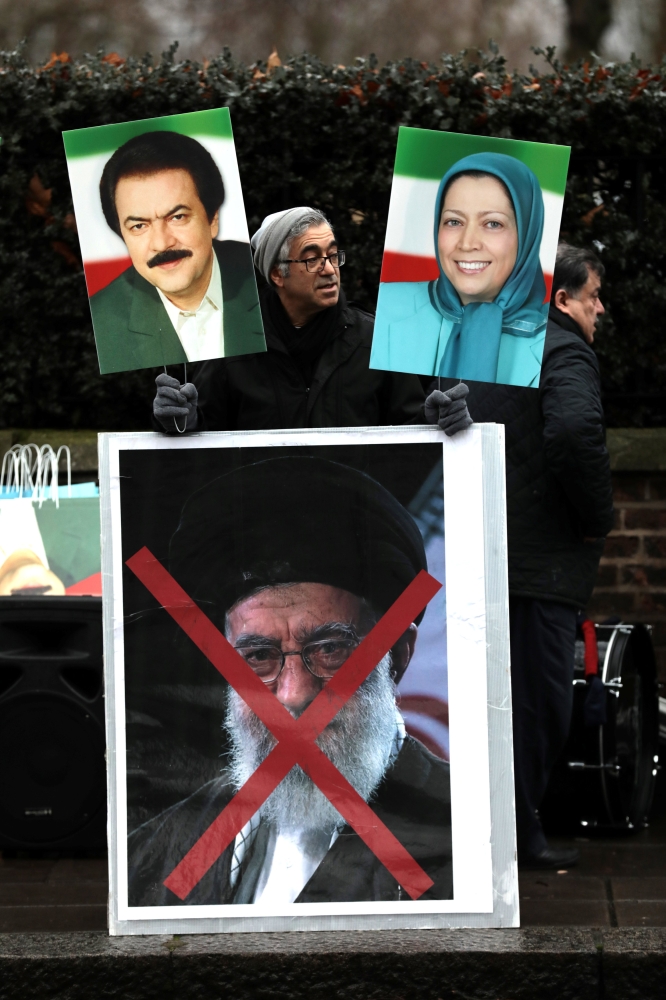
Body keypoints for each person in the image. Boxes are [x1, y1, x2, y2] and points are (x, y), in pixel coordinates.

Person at [127, 455, 452, 905]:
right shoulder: (152, 853)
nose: (294, 694)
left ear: (396, 655)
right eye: (258, 657)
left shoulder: (466, 838)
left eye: (330, 649)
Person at [436, 242, 613, 868]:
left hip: (478, 547)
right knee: (540, 704)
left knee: (489, 699)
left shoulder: (483, 342)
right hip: (539, 564)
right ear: (562, 300)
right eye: (593, 296)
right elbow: (571, 433)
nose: (599, 310)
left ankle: (505, 833)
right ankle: (517, 836)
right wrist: (597, 518)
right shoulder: (565, 348)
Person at [152, 206, 439, 433]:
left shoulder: (376, 340)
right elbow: (202, 437)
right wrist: (180, 420)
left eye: (332, 255)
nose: (329, 269)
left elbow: (411, 433)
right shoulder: (232, 344)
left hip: (354, 505)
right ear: (277, 274)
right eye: (311, 259)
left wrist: (434, 418)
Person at [90, 131, 265, 374]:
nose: (161, 244)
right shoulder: (100, 325)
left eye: (178, 217)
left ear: (212, 218)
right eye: (139, 226)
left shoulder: (269, 277)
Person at [369, 152, 548, 386]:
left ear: (526, 235)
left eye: (493, 224)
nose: (467, 243)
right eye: (454, 222)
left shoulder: (554, 346)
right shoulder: (385, 307)